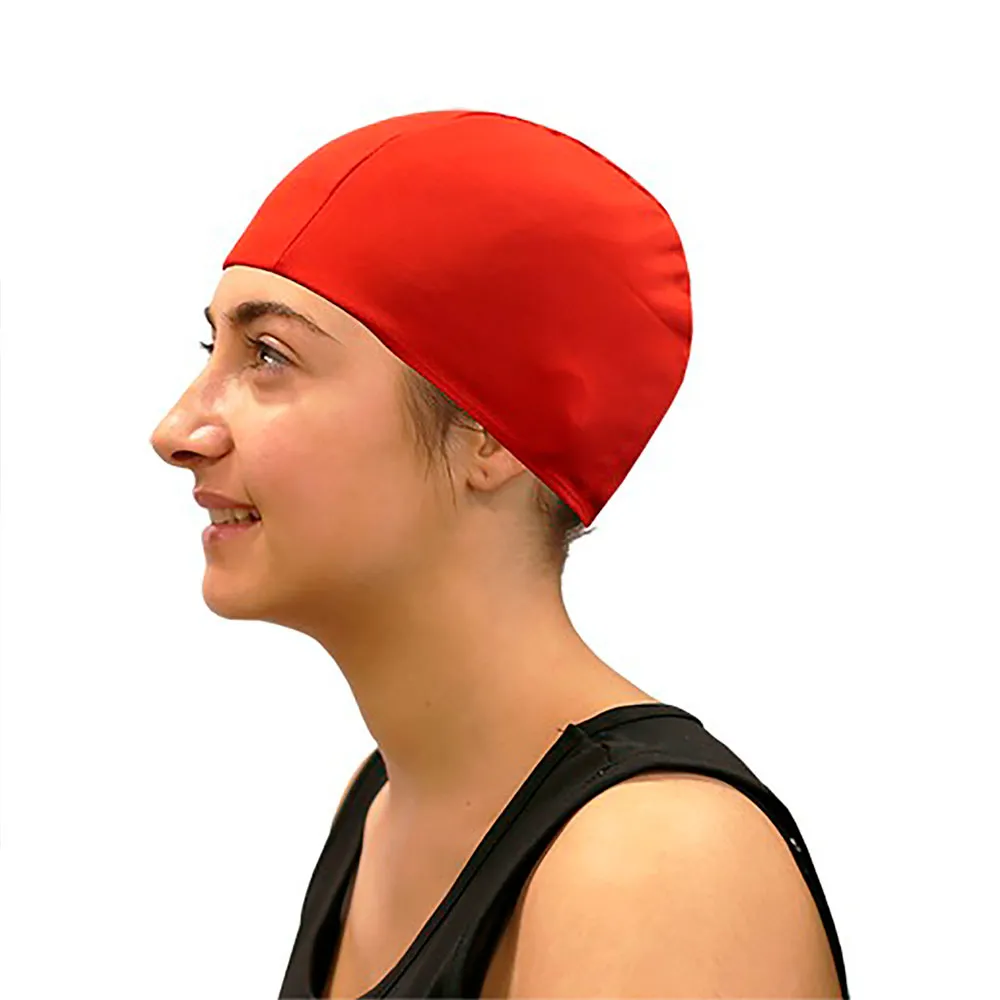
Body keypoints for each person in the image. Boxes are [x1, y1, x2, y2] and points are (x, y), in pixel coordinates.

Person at [149, 109, 848, 999]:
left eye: (270, 355)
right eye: (213, 347)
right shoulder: (381, 804)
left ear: (490, 432)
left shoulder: (655, 866)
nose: (177, 429)